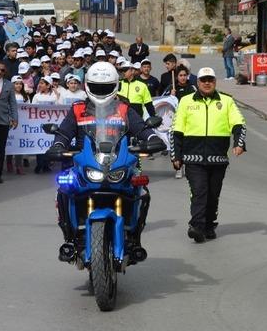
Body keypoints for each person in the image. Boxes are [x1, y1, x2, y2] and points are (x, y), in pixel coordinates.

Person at [50, 62, 165, 253]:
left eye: (105, 87)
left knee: (141, 189)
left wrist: (152, 138)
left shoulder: (124, 109)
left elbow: (142, 128)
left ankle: (135, 238)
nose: (101, 91)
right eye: (97, 87)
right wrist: (58, 145)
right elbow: (63, 132)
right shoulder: (78, 109)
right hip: (85, 164)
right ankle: (70, 237)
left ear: (115, 86)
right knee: (63, 188)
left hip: (118, 164)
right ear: (88, 85)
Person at [171, 67, 246, 243]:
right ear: (197, 82)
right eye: (203, 80)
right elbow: (176, 130)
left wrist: (239, 143)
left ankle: (209, 224)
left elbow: (239, 123)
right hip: (193, 158)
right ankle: (196, 226)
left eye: (210, 80)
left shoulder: (227, 101)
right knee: (199, 191)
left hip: (218, 159)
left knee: (213, 195)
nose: (206, 83)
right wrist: (176, 155)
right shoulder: (185, 101)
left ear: (215, 82)